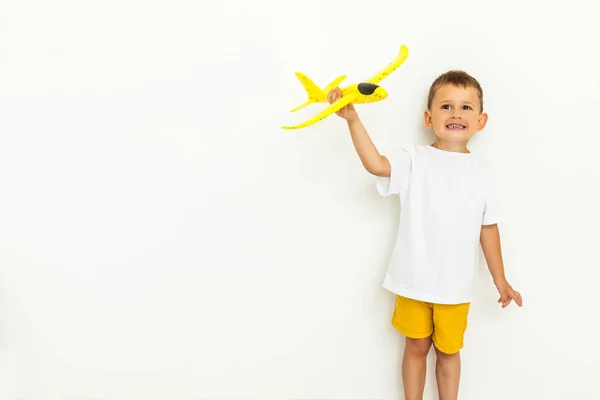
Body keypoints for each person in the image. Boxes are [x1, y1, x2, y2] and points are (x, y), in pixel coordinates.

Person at [327, 70, 522, 400]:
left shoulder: (483, 174)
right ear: (429, 117)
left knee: (448, 352)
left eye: (466, 107)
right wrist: (352, 120)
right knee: (415, 346)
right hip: (413, 280)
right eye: (446, 106)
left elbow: (488, 228)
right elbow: (376, 164)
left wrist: (500, 279)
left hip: (454, 287)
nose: (456, 114)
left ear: (481, 120)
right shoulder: (414, 160)